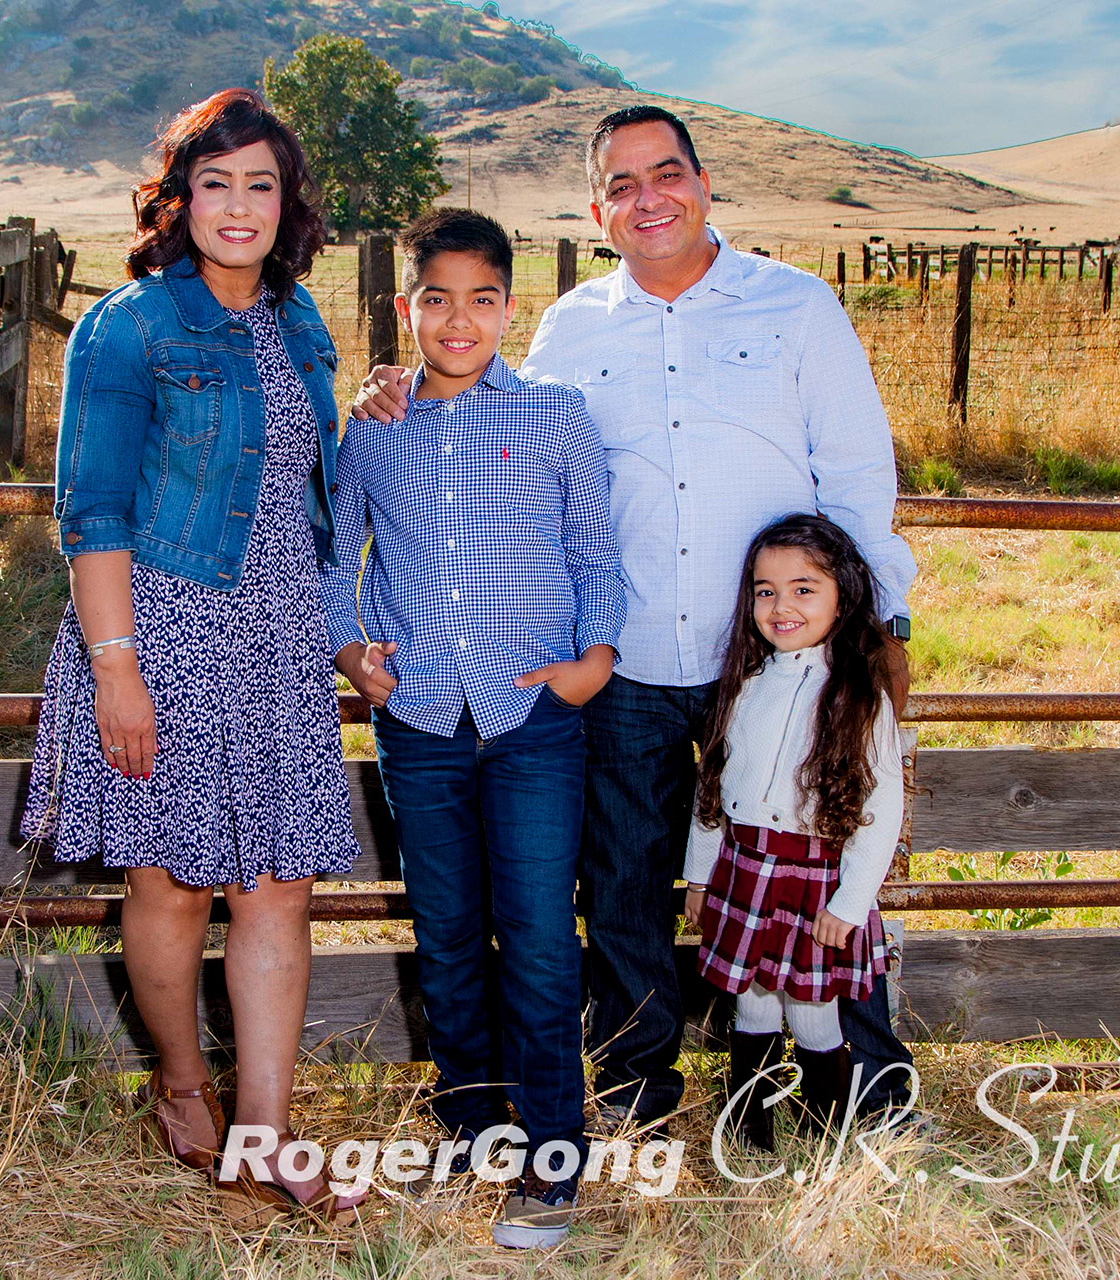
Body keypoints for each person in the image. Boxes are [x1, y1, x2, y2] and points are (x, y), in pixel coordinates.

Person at [350, 104, 919, 1131]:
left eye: (667, 173)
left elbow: (857, 477)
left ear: (703, 184)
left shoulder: (795, 306)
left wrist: (884, 631)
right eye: (622, 183)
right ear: (596, 210)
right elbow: (495, 421)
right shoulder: (572, 327)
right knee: (621, 885)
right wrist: (392, 390)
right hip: (630, 657)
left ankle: (867, 1090)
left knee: (821, 846)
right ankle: (635, 1092)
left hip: (778, 657)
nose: (648, 197)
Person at [20, 88, 363, 1226]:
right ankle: (180, 1085)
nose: (239, 205)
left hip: (280, 636)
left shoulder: (299, 321)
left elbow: (310, 475)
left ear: (287, 203)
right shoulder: (129, 327)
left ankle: (265, 1135)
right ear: (179, 199)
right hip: (167, 629)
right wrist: (116, 669)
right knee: (171, 882)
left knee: (279, 884)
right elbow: (91, 510)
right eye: (216, 183)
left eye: (261, 184)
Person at [320, 209, 625, 1249]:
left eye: (482, 299)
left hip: (533, 715)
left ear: (509, 308)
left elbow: (596, 552)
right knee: (447, 934)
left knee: (537, 935)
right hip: (419, 720)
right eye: (437, 299)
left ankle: (551, 1155)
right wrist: (352, 651)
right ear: (404, 307)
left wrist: (595, 661)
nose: (460, 320)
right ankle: (471, 1126)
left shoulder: (554, 416)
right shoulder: (374, 426)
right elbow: (336, 555)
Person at [683, 514, 901, 1150]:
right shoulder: (745, 687)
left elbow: (880, 811)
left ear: (843, 596)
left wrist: (850, 903)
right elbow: (713, 792)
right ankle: (746, 1123)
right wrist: (699, 876)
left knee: (811, 1007)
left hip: (816, 879)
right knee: (752, 998)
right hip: (745, 869)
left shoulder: (859, 696)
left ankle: (825, 1123)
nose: (782, 607)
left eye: (804, 589)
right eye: (766, 591)